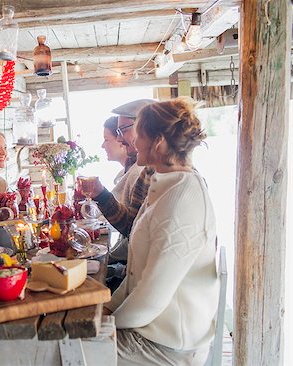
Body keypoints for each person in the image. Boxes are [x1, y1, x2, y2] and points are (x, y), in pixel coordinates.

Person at [108, 97, 218, 365]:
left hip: (167, 345)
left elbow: (150, 299)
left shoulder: (181, 201)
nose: (133, 142)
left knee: (61, 350)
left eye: (139, 135)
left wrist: (106, 323)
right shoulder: (165, 183)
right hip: (150, 327)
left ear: (157, 141)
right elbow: (136, 275)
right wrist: (107, 308)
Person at [92, 99, 155, 237]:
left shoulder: (178, 180)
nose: (119, 140)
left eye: (123, 130)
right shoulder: (147, 173)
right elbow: (131, 227)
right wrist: (101, 195)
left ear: (146, 129)